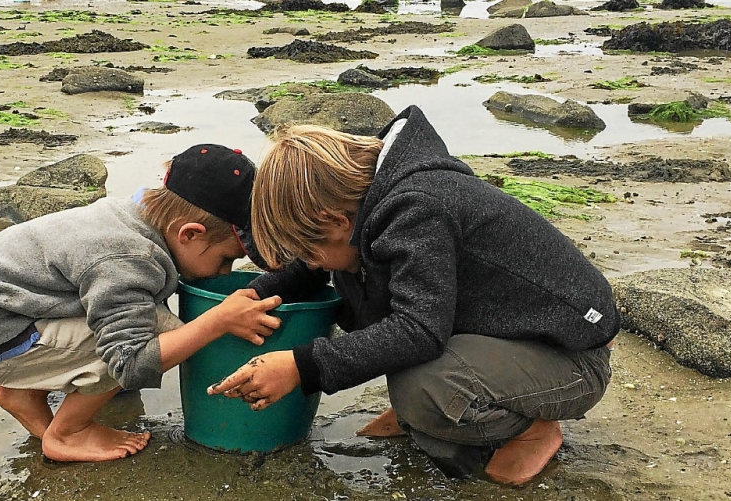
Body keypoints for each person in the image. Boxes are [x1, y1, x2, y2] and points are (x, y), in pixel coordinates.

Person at [208, 106, 619, 486]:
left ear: (332, 219)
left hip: (571, 356)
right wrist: (254, 293)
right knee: (354, 283)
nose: (308, 261)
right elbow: (314, 266)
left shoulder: (418, 208)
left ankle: (531, 431)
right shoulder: (363, 205)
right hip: (502, 332)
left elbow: (419, 330)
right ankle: (442, 406)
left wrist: (302, 367)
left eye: (308, 248)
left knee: (424, 390)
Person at [0, 144, 281, 463]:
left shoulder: (140, 212)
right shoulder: (127, 256)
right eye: (226, 259)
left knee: (153, 325)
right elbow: (130, 361)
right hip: (0, 335)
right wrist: (218, 320)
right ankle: (68, 433)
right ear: (189, 234)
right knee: (148, 340)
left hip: (17, 311)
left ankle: (22, 392)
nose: (224, 273)